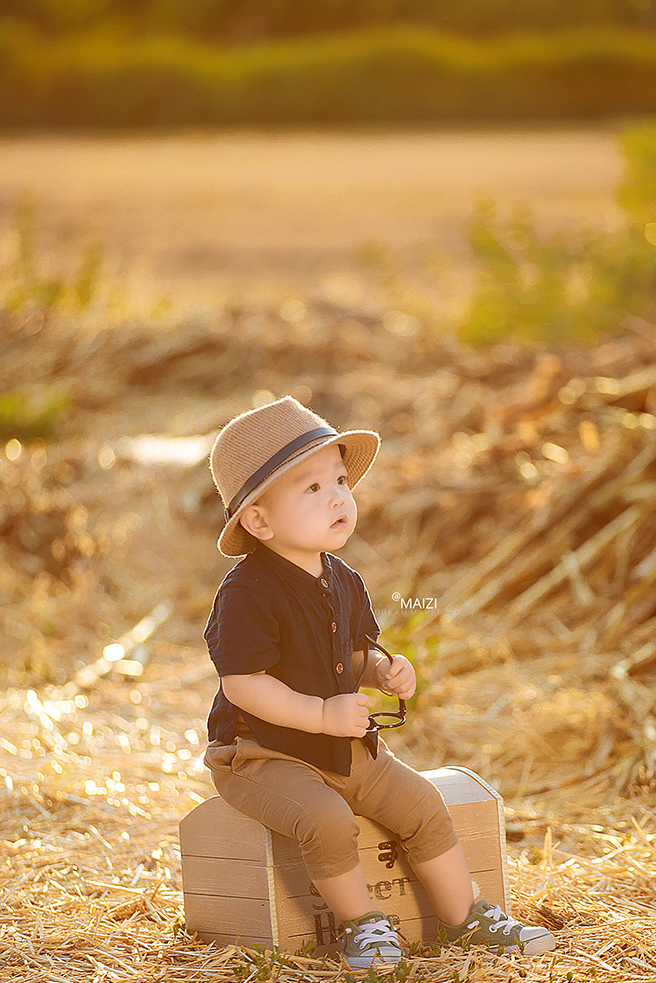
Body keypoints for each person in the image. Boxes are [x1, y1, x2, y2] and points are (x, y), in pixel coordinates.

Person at [203, 395, 556, 967]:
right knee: (326, 820)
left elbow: (352, 653)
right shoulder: (247, 593)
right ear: (259, 519)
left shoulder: (343, 578)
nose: (339, 496)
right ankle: (362, 926)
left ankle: (465, 917)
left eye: (340, 480)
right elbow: (244, 683)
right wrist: (320, 715)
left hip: (345, 748)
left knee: (422, 802)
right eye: (312, 488)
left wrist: (382, 670)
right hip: (262, 755)